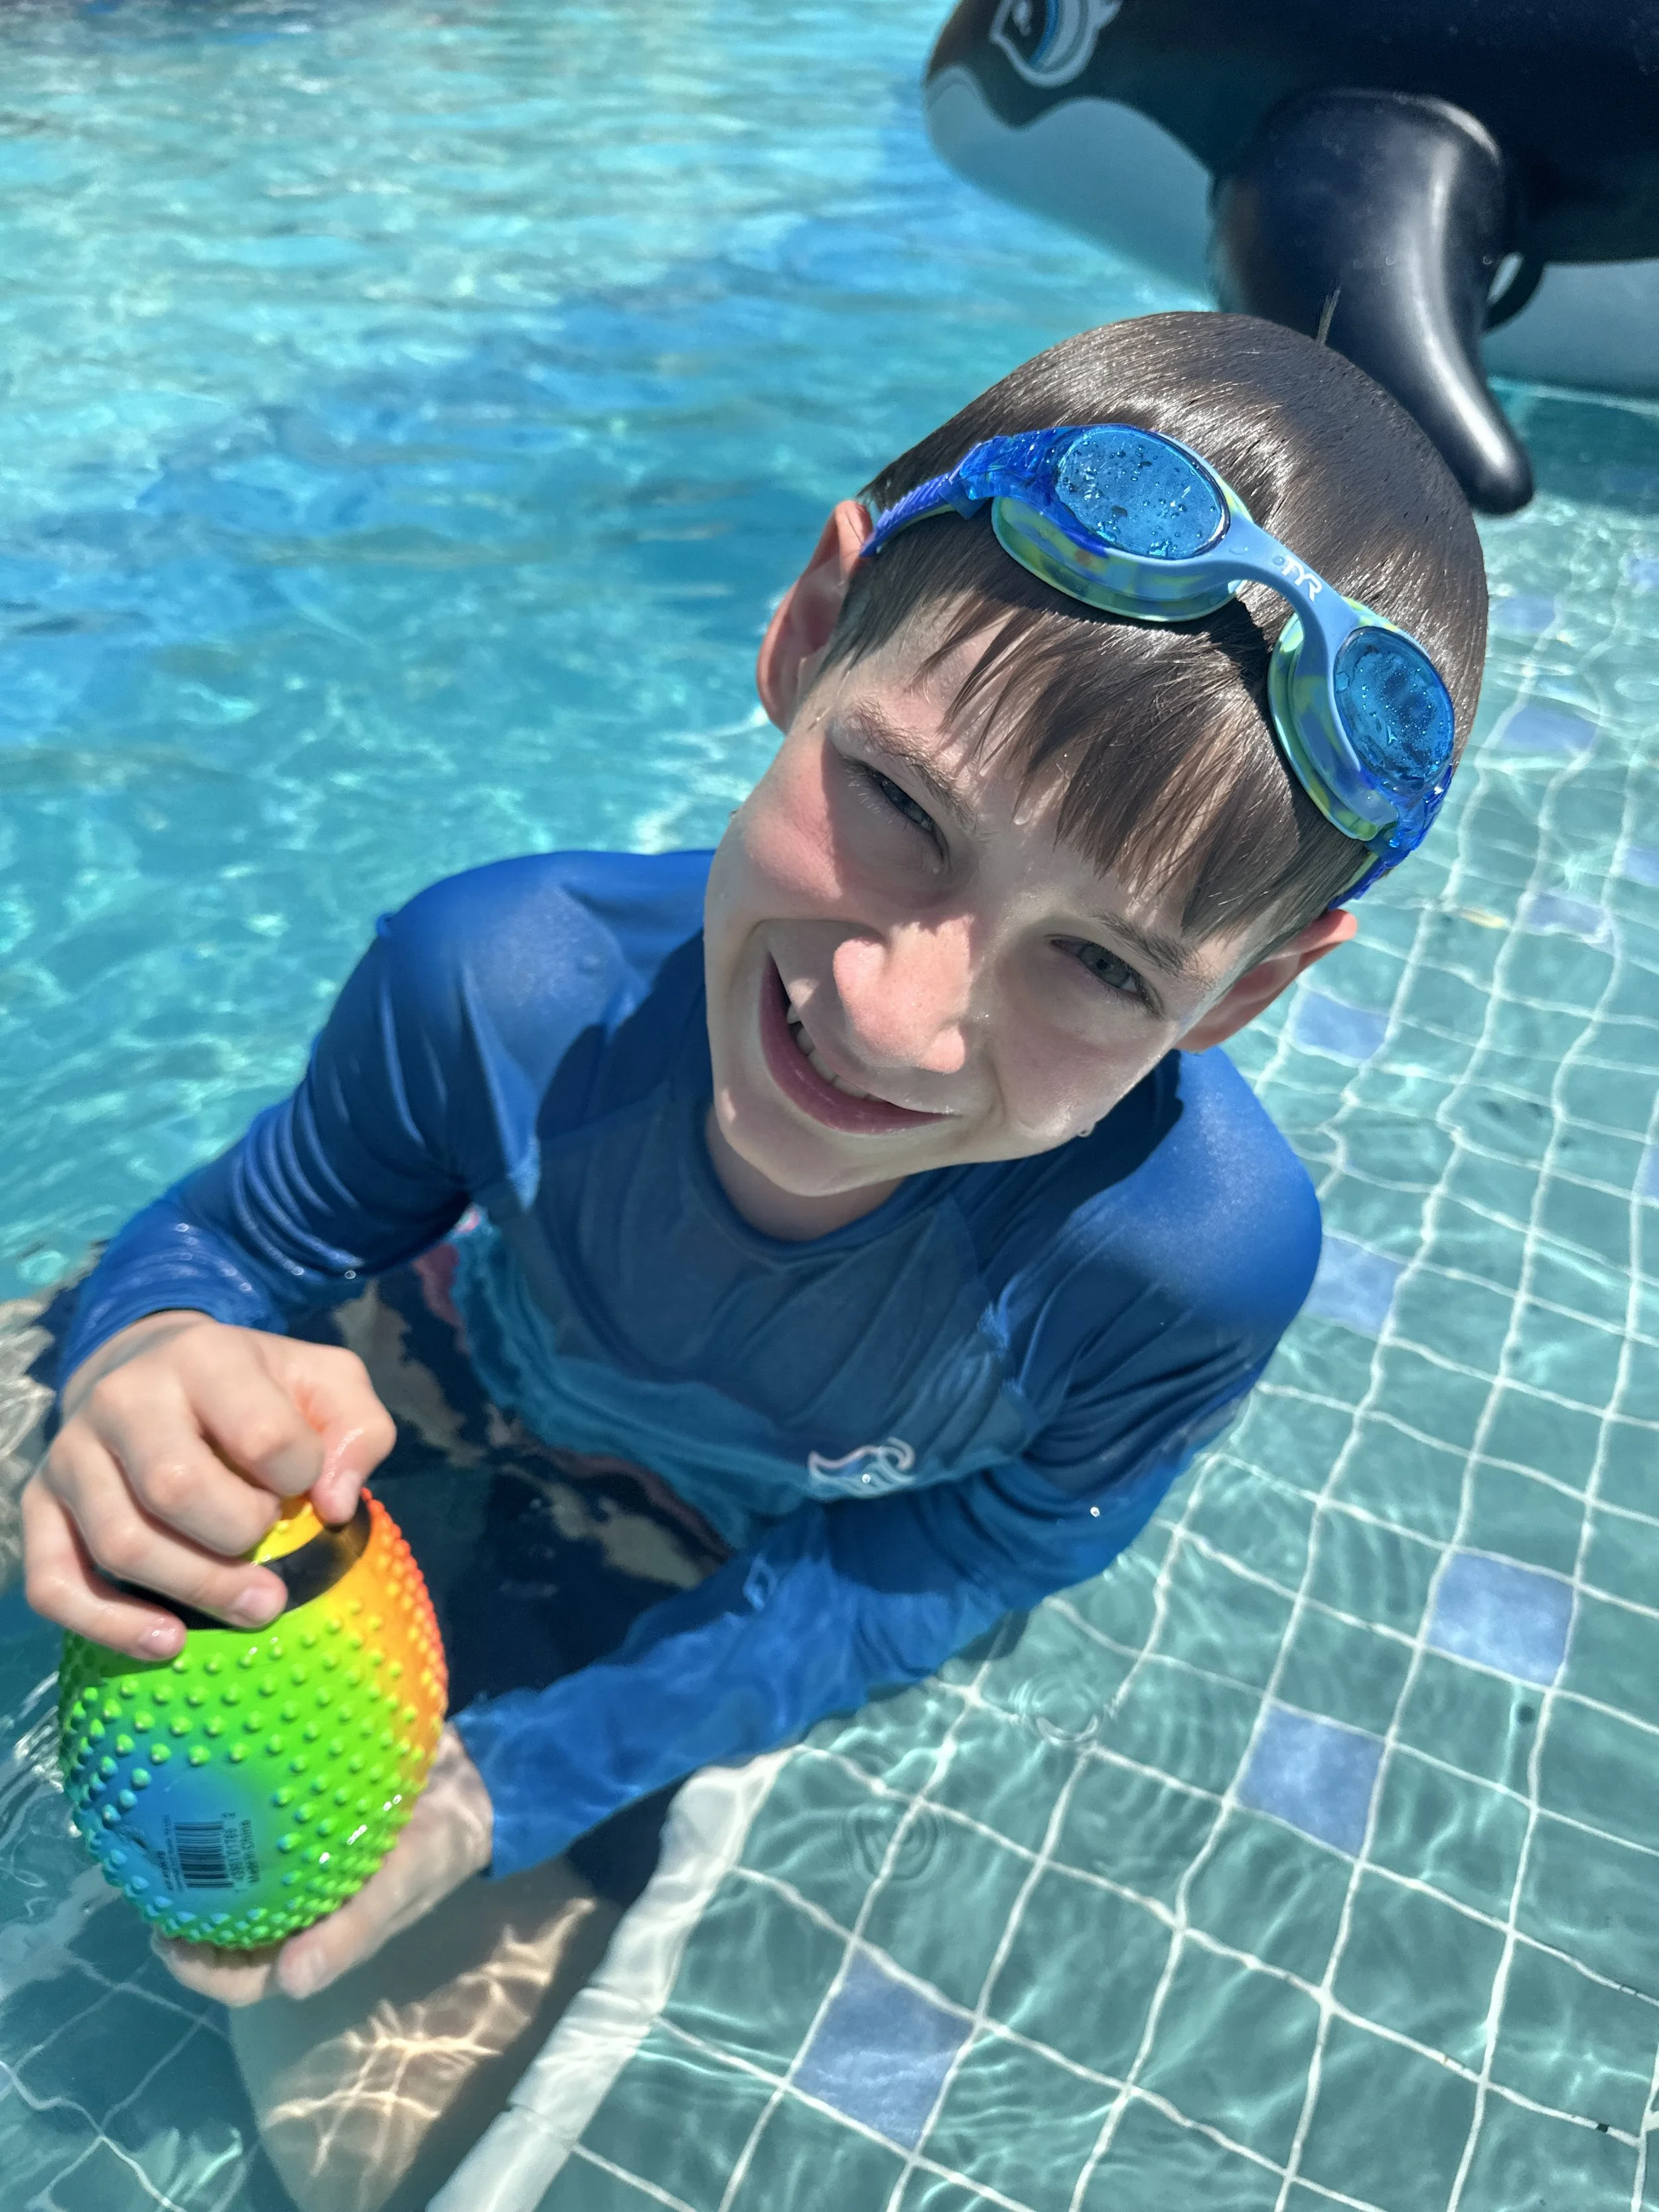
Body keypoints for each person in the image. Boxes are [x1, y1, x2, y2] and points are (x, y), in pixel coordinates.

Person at [21, 311, 1486, 2209]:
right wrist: (146, 1359)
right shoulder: (495, 977)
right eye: (895, 804)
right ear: (808, 630)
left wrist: (506, 1785)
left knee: (354, 2142)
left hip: (720, 1560)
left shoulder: (1184, 1264)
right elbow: (257, 1229)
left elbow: (950, 1550)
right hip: (447, 1361)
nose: (897, 1016)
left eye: (1104, 965)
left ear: (1246, 994)